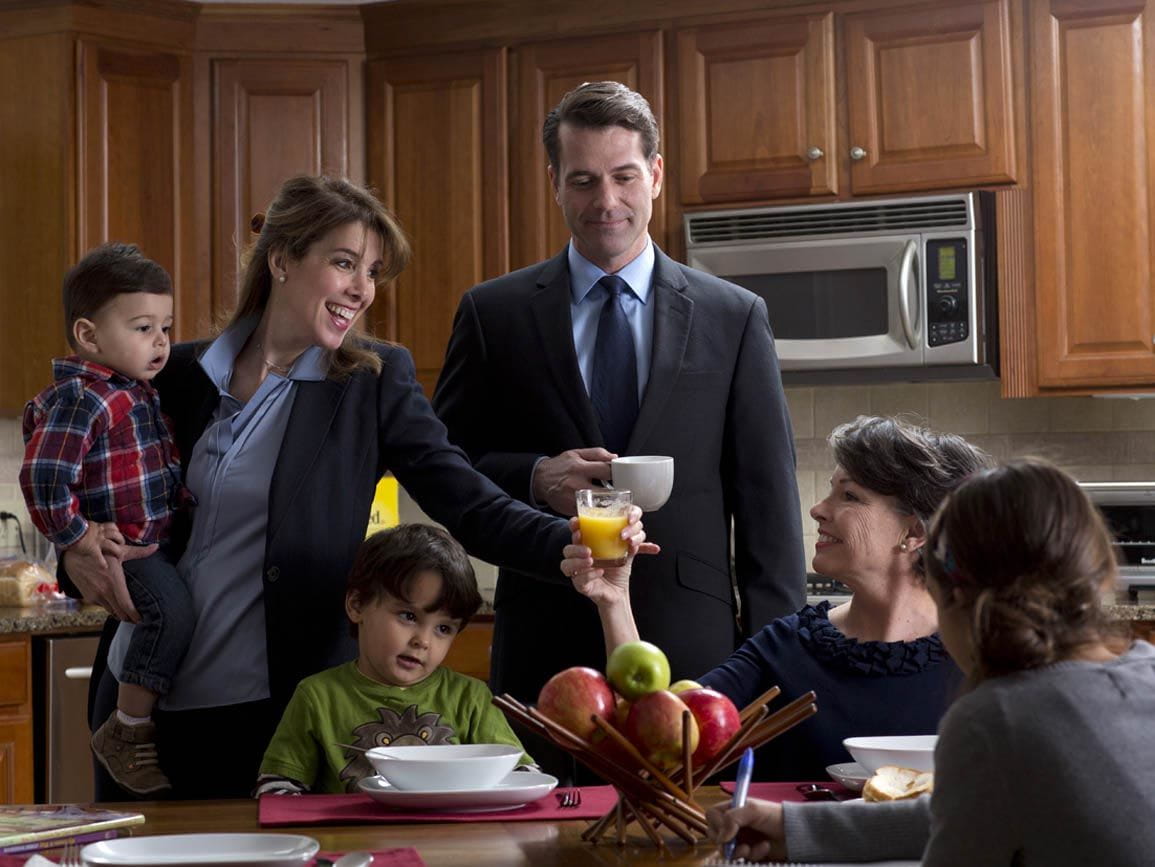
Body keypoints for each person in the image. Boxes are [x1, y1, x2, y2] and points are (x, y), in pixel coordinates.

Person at [57, 175, 648, 800]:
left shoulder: (371, 381)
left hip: (274, 711)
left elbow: (468, 501)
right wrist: (74, 553)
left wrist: (571, 542)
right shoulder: (172, 373)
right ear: (282, 260)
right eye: (344, 263)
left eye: (372, 272)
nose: (362, 289)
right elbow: (91, 497)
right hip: (140, 713)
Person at [432, 81, 806, 737]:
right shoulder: (494, 315)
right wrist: (531, 475)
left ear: (655, 175)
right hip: (542, 642)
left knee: (695, 833)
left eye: (623, 176)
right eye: (581, 180)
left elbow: (767, 506)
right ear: (553, 181)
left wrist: (772, 663)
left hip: (695, 651)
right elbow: (444, 469)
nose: (605, 202)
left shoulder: (733, 316)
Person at [706, 457, 1155, 866]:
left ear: (957, 598)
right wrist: (796, 828)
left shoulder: (997, 717)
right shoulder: (1146, 668)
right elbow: (967, 811)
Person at [564, 415, 992, 781]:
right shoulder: (787, 647)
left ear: (914, 532)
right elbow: (657, 750)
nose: (818, 509)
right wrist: (614, 599)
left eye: (850, 496)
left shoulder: (982, 652)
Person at [20, 243, 193, 796]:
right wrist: (78, 536)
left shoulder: (132, 392)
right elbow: (44, 477)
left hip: (148, 545)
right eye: (144, 327)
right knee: (170, 614)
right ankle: (126, 729)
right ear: (89, 336)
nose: (162, 341)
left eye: (166, 326)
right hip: (123, 554)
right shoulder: (85, 399)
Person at [256, 524, 535, 795]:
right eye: (409, 616)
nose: (423, 641)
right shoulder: (316, 696)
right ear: (357, 605)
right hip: (353, 842)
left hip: (451, 841)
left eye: (443, 628)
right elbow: (277, 787)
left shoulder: (471, 698)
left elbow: (524, 777)